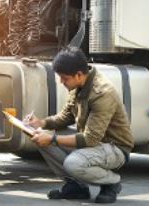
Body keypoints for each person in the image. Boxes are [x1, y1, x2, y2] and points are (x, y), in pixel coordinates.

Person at [26, 47, 134, 203]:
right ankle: (77, 186)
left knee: (73, 162)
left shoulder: (102, 93)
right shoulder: (77, 86)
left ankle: (111, 182)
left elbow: (90, 139)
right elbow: (66, 117)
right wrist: (41, 123)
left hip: (115, 148)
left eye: (64, 78)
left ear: (79, 74)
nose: (61, 82)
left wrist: (52, 139)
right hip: (94, 144)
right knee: (39, 135)